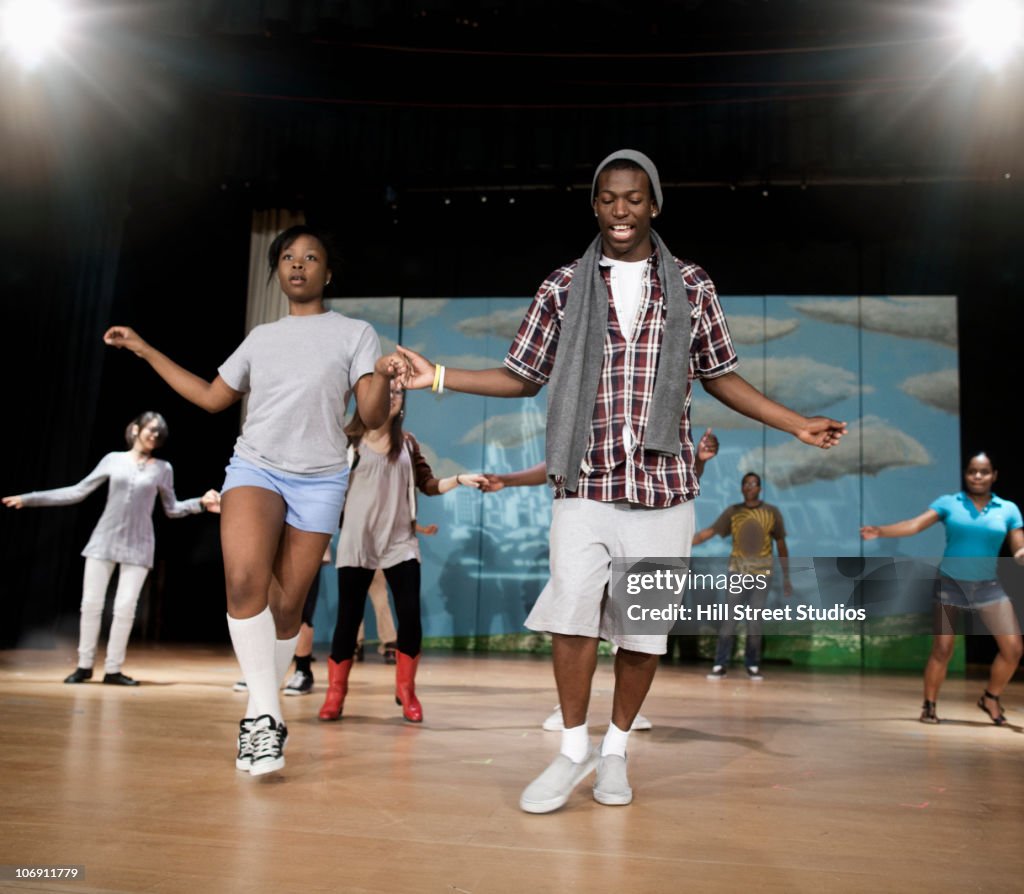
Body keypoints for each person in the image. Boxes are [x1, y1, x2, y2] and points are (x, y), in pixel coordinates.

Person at [397, 149, 845, 813]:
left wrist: (794, 423)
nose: (621, 209)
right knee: (573, 615)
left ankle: (615, 753)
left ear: (654, 205)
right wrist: (435, 375)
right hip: (585, 484)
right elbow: (521, 375)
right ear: (596, 206)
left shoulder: (690, 285)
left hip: (664, 493)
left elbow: (721, 374)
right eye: (609, 198)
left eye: (634, 198)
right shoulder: (561, 286)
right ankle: (573, 749)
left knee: (641, 634)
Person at [103, 225, 406, 775]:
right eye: (287, 257)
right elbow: (212, 398)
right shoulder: (262, 338)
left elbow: (372, 416)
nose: (297, 265)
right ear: (278, 271)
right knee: (244, 582)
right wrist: (145, 350)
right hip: (255, 466)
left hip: (320, 479)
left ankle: (259, 715)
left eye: (310, 257)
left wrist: (382, 374)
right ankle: (265, 719)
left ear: (327, 273)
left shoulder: (355, 333)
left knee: (287, 608)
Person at [482, 427, 720, 730]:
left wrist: (699, 461)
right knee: (579, 618)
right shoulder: (594, 421)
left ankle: (623, 716)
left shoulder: (656, 422)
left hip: (643, 524)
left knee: (633, 627)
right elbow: (558, 463)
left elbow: (680, 477)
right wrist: (509, 480)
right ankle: (568, 709)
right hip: (592, 518)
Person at [3, 412, 220, 685]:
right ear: (136, 429)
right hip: (104, 540)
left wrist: (200, 504)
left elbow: (172, 509)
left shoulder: (163, 468)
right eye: (150, 429)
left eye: (159, 432)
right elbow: (77, 491)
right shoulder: (113, 459)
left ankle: (114, 669)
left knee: (126, 607)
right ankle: (84, 665)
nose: (154, 435)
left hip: (139, 544)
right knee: (91, 605)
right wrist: (30, 499)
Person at [319, 384, 485, 723]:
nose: (393, 397)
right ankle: (335, 693)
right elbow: (326, 491)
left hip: (399, 543)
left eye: (398, 394)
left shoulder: (407, 443)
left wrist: (458, 479)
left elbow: (428, 484)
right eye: (387, 392)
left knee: (409, 615)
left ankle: (406, 690)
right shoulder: (347, 442)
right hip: (357, 541)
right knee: (348, 619)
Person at [861, 451, 1024, 724]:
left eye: (984, 472)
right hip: (950, 585)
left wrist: (1020, 553)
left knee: (1013, 649)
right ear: (966, 474)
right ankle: (929, 705)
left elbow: (1018, 542)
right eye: (972, 471)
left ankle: (990, 698)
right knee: (943, 649)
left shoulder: (1008, 509)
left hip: (989, 588)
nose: (977, 476)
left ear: (994, 475)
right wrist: (881, 531)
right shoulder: (949, 503)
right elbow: (914, 525)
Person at [693, 471, 792, 681]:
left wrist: (786, 577)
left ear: (759, 488)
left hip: (762, 573)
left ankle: (753, 664)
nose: (749, 487)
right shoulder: (734, 512)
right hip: (737, 573)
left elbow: (781, 545)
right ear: (741, 488)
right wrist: (683, 543)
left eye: (753, 484)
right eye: (745, 484)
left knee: (754, 621)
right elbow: (709, 532)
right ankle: (720, 664)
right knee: (729, 620)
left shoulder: (771, 512)